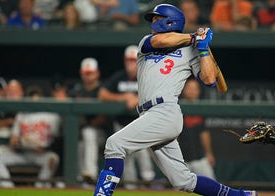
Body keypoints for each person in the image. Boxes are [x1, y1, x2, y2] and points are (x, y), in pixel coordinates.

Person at [93, 3, 256, 196]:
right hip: (149, 114)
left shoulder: (191, 50)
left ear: (171, 22)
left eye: (157, 18)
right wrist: (195, 38)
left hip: (165, 112)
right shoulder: (148, 42)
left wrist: (203, 50)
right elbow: (161, 42)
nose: (153, 22)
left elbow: (210, 79)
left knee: (114, 144)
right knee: (183, 180)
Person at [98, 45, 155, 189]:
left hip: (142, 122)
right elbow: (102, 94)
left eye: (133, 60)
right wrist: (123, 97)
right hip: (122, 124)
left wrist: (137, 98)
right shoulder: (119, 76)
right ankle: (131, 188)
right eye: (128, 60)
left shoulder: (146, 75)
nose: (130, 63)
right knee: (126, 159)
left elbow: (156, 93)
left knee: (144, 155)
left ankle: (148, 185)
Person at [0, 87, 61, 188]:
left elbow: (57, 139)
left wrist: (46, 147)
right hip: (22, 153)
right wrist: (17, 143)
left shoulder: (51, 115)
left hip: (40, 154)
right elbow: (13, 138)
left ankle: (39, 189)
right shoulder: (21, 115)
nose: (34, 103)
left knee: (53, 159)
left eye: (36, 100)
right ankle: (8, 189)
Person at [68, 57, 107, 185]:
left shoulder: (103, 90)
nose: (88, 76)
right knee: (80, 142)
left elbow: (104, 117)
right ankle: (81, 180)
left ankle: (91, 173)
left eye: (90, 73)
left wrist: (90, 123)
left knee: (88, 133)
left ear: (97, 73)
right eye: (85, 73)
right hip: (82, 133)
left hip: (103, 134)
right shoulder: (76, 91)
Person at [179, 78, 216, 180]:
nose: (192, 91)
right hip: (181, 160)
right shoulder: (177, 107)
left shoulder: (201, 108)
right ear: (183, 90)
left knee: (212, 186)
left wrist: (209, 153)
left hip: (200, 158)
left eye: (195, 89)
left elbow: (204, 133)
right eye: (190, 88)